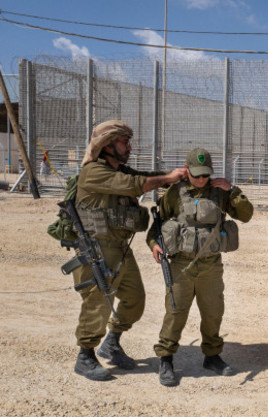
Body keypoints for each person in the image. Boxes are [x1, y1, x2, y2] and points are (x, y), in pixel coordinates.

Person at [72, 120, 187, 381]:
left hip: (119, 248)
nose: (129, 147)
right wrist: (168, 178)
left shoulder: (120, 169)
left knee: (135, 300)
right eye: (124, 142)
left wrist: (176, 175)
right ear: (107, 145)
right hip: (97, 249)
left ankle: (111, 342)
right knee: (98, 303)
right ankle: (85, 356)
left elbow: (143, 177)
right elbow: (133, 184)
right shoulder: (94, 172)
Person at [147, 148, 253, 387]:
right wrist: (154, 244)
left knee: (213, 312)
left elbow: (247, 215)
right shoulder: (175, 193)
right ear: (187, 171)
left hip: (211, 266)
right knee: (175, 313)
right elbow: (158, 224)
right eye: (197, 175)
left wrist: (233, 190)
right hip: (181, 265)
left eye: (205, 175)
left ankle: (212, 356)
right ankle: (165, 359)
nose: (202, 179)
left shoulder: (221, 192)